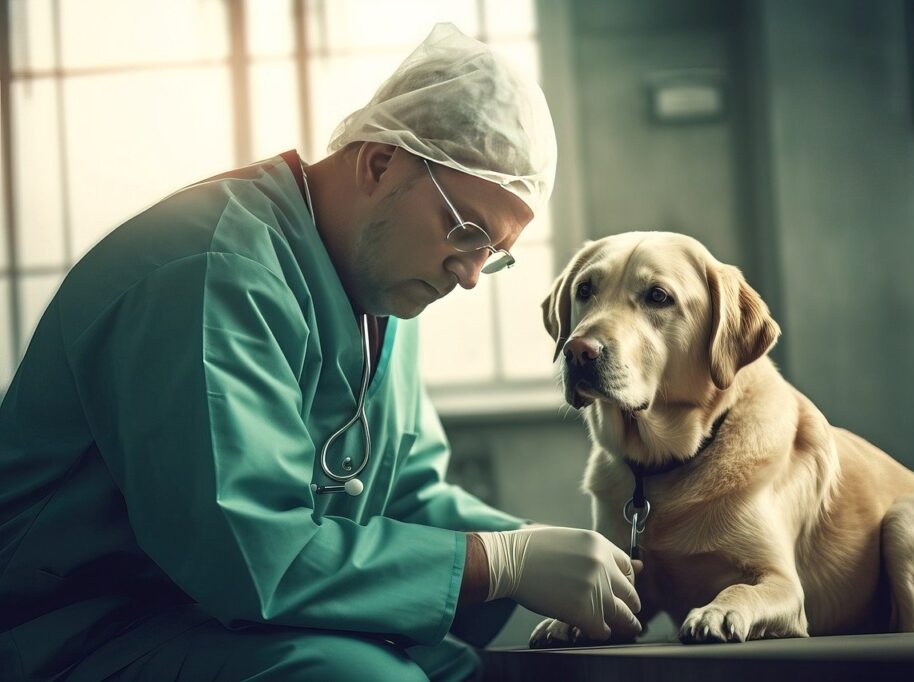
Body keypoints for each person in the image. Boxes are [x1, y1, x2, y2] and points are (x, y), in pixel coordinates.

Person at [0, 23, 641, 682]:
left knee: (460, 669)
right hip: (83, 626)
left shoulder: (385, 290)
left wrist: (544, 549)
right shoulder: (211, 272)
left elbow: (407, 500)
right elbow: (249, 555)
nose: (471, 273)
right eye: (468, 230)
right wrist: (502, 563)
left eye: (493, 253)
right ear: (380, 164)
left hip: (209, 617)